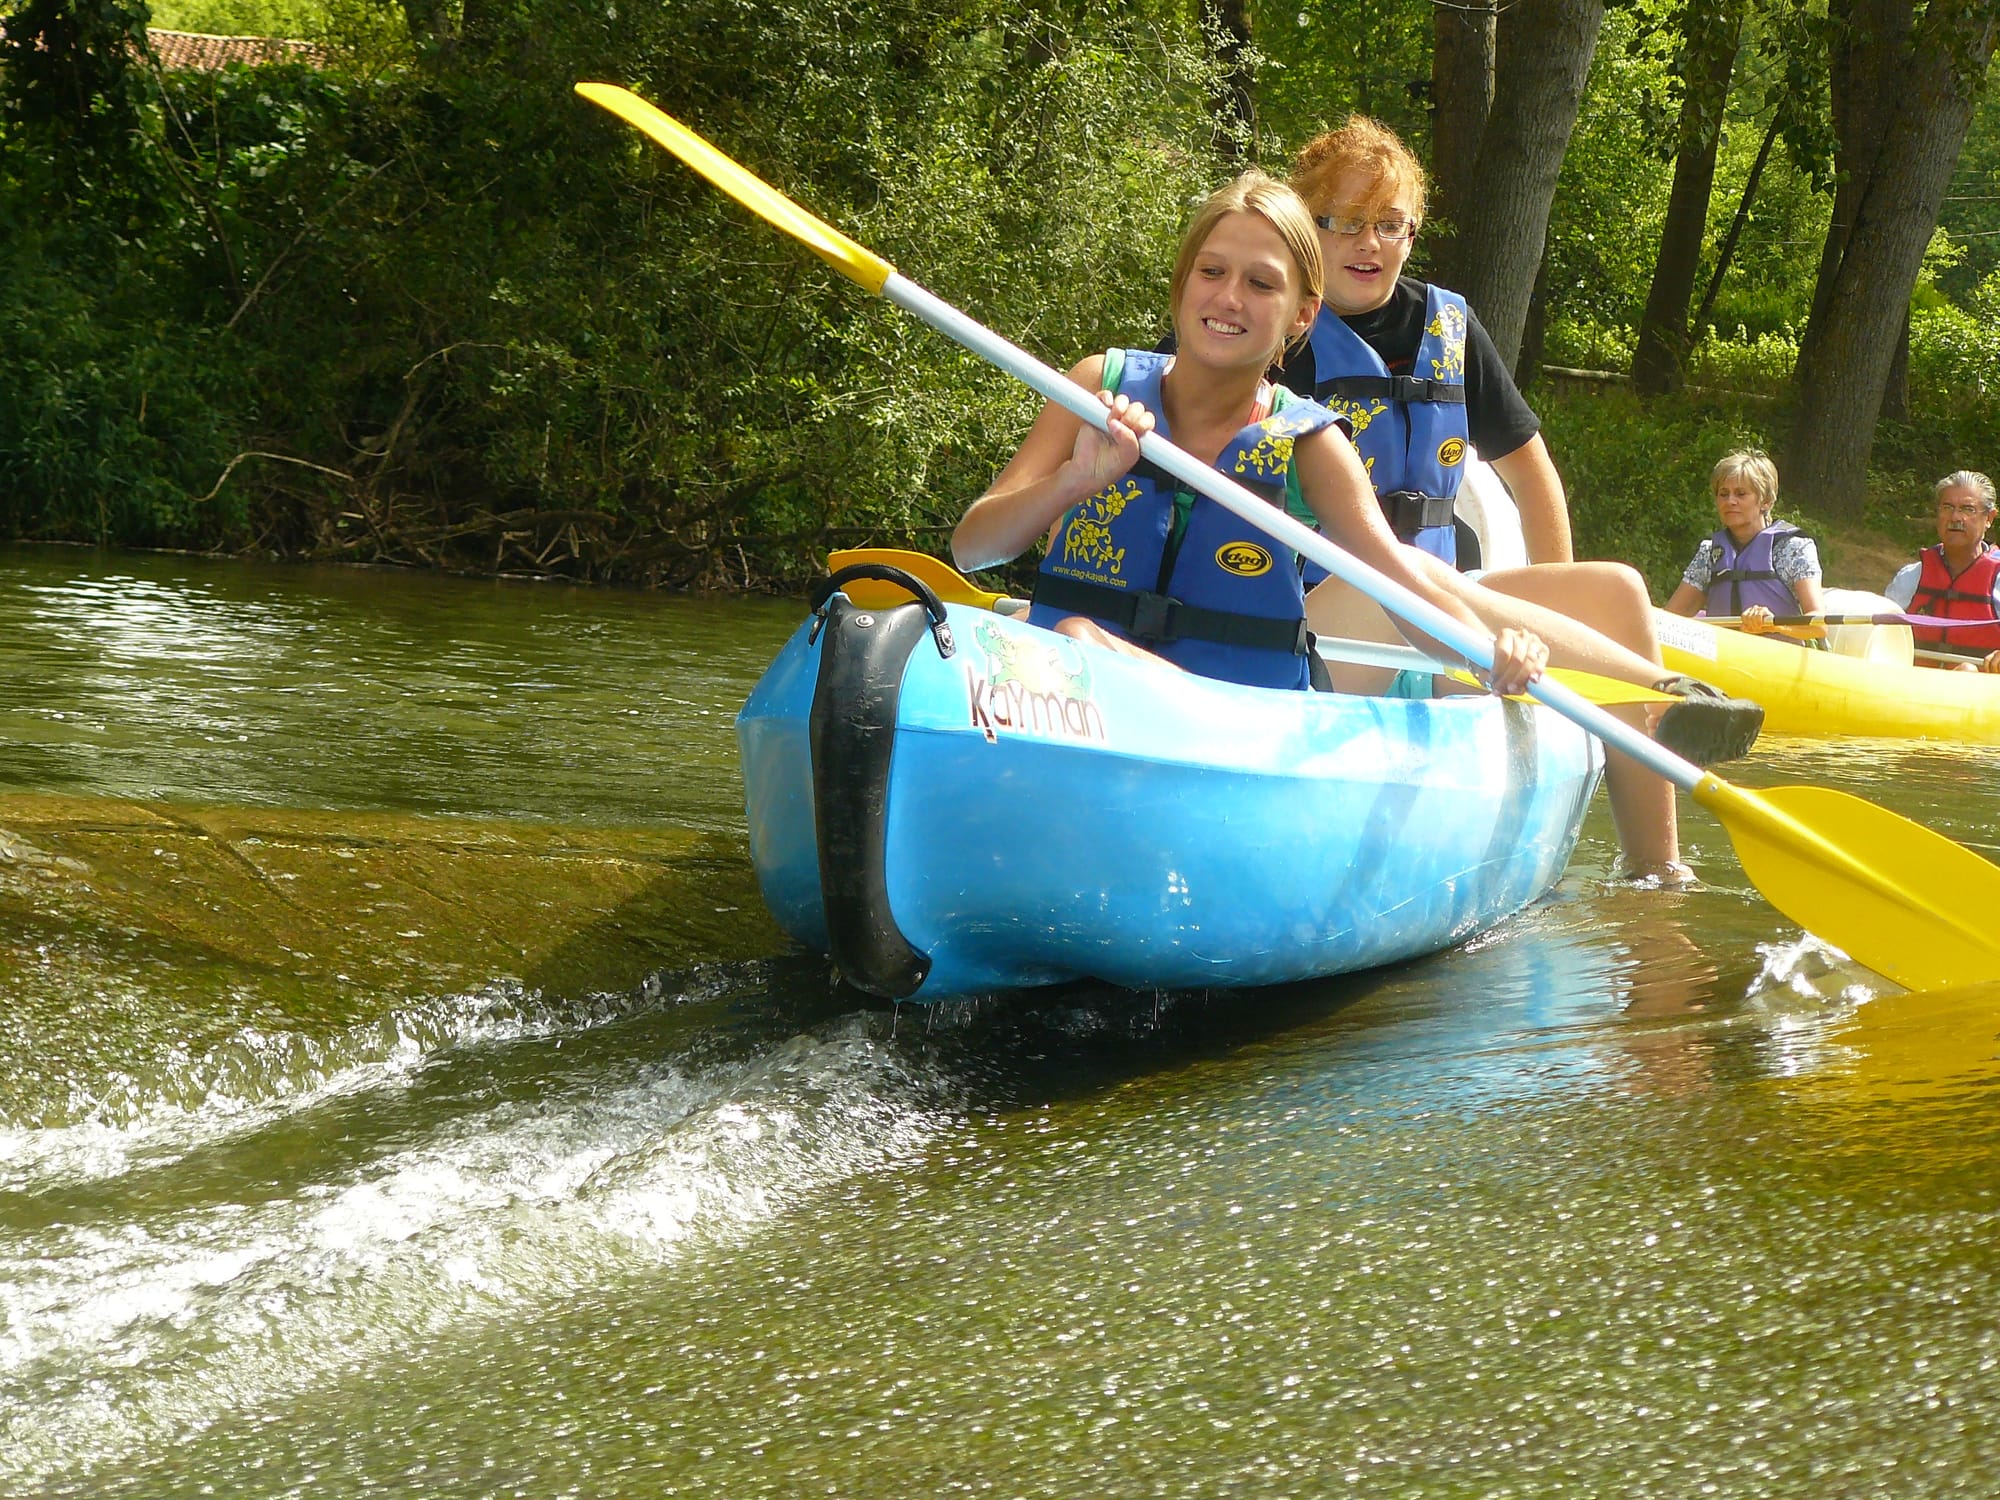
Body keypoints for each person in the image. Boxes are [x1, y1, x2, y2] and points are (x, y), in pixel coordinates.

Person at [951, 170, 1759, 884]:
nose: (1229, 298)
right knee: (1087, 640)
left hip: (1235, 720)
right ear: (1180, 285)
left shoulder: (1311, 442)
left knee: (1100, 641)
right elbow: (973, 547)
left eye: (1261, 285)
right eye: (1212, 272)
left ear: (1302, 314)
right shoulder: (1098, 388)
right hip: (1079, 700)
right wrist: (1076, 479)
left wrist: (1491, 653)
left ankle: (1661, 807)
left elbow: (1398, 582)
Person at [1281, 116, 1573, 569]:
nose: (1369, 243)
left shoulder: (1450, 327)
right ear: (1305, 226)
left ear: (1412, 235)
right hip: (1311, 599)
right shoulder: (1270, 322)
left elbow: (1532, 476)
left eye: (1391, 224)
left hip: (1433, 595)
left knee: (1618, 588)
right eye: (1348, 221)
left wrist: (1557, 594)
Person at [1664, 449, 1825, 643]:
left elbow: (1818, 625)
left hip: (1778, 659)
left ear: (1765, 502)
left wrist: (1775, 624)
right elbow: (1669, 619)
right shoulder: (1710, 553)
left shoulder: (1794, 549)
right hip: (1723, 658)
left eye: (1741, 494)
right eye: (1723, 494)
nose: (1730, 501)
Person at [1885, 470, 2000, 672]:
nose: (1955, 517)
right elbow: (1880, 635)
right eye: (1947, 507)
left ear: (1989, 518)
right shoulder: (1910, 578)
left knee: (1967, 671)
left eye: (1968, 509)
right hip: (1914, 689)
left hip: (1985, 693)